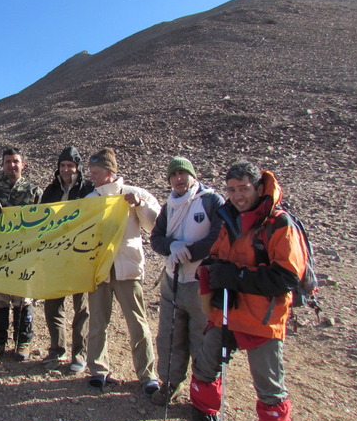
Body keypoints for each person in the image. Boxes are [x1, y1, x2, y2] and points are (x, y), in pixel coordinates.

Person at [168, 161, 305, 421]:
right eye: (232, 189)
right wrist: (214, 275)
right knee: (204, 369)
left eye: (243, 189)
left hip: (262, 318)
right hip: (225, 311)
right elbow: (217, 256)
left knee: (268, 387)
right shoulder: (229, 219)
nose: (238, 195)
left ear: (258, 187)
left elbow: (286, 276)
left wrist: (238, 277)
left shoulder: (279, 224)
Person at [149, 157, 224, 405]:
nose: (179, 179)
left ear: (192, 175)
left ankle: (202, 391)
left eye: (183, 173)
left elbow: (218, 237)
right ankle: (170, 382)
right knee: (169, 334)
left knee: (201, 338)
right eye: (173, 175)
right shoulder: (169, 206)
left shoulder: (211, 201)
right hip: (173, 279)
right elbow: (156, 238)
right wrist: (173, 246)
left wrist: (189, 252)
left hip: (201, 282)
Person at [85, 148, 161, 395]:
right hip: (99, 271)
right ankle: (98, 370)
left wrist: (139, 207)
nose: (92, 177)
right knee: (98, 321)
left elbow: (154, 226)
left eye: (96, 173)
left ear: (110, 172)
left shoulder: (136, 194)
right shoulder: (90, 200)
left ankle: (147, 374)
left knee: (137, 322)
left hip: (128, 269)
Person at [0, 147, 43, 363]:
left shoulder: (34, 191)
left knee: (22, 299)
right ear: (3, 164)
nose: (11, 165)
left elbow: (45, 222)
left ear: (22, 164)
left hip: (24, 255)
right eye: (8, 161)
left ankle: (22, 342)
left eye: (15, 161)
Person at [39, 146, 95, 373]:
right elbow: (39, 219)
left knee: (81, 309)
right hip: (54, 256)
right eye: (62, 165)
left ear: (77, 168)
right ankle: (56, 350)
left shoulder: (89, 190)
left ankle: (80, 355)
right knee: (53, 306)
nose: (66, 169)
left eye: (70, 166)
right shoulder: (50, 190)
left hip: (80, 257)